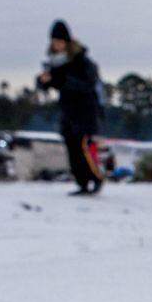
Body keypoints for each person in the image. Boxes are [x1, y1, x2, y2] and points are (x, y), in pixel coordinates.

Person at [37, 19, 104, 195]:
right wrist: (43, 81)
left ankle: (96, 178)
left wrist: (62, 81)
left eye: (59, 41)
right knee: (71, 148)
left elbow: (88, 84)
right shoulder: (54, 62)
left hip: (85, 111)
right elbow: (51, 83)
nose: (56, 45)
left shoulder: (83, 61)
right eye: (53, 41)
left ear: (67, 42)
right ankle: (82, 183)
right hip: (67, 111)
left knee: (83, 147)